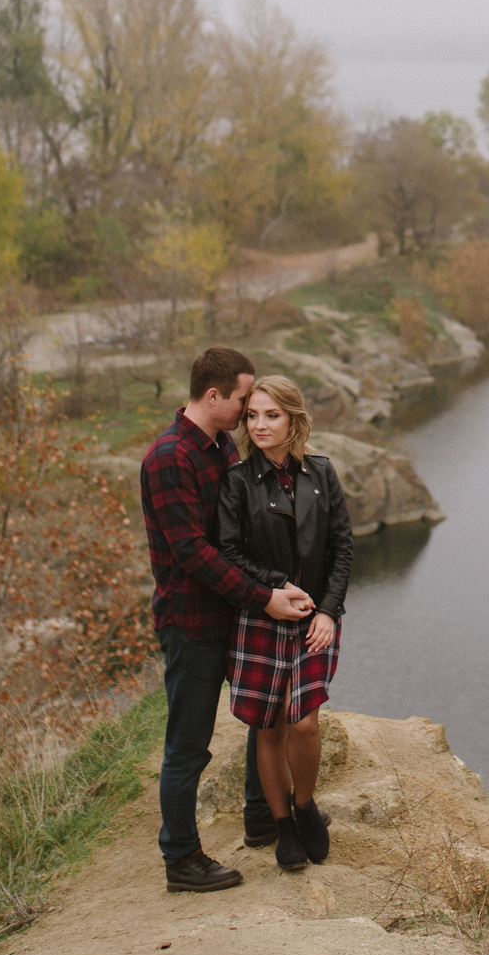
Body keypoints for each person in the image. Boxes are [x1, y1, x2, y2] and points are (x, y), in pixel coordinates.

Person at [140, 345, 317, 893]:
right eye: (243, 400)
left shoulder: (218, 446)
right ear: (214, 395)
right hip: (192, 624)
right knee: (188, 745)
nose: (247, 411)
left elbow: (237, 532)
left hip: (235, 614)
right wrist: (264, 596)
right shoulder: (169, 457)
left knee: (264, 719)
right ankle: (181, 859)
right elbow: (194, 552)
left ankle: (263, 816)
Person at [216, 374, 353, 871]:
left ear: (293, 419)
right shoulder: (237, 480)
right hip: (261, 616)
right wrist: (276, 587)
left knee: (305, 721)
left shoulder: (322, 472)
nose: (260, 425)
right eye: (252, 415)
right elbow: (227, 552)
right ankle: (283, 825)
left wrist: (329, 611)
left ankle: (305, 805)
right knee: (269, 726)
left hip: (314, 617)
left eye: (271, 415)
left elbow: (342, 548)